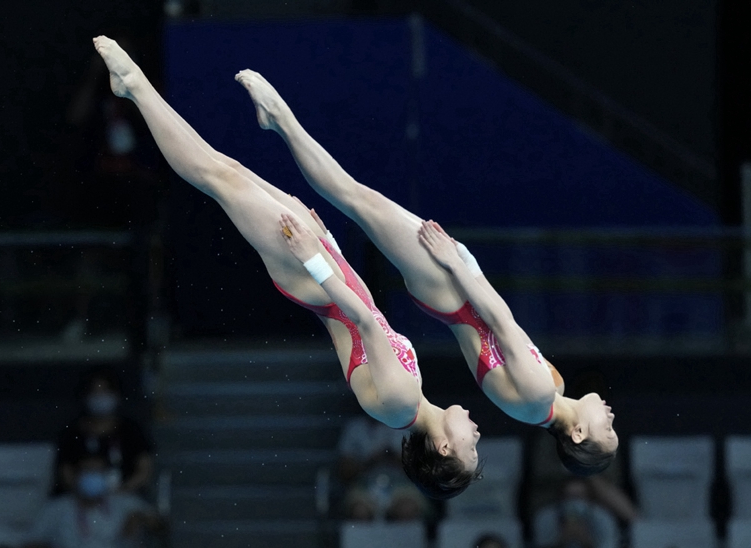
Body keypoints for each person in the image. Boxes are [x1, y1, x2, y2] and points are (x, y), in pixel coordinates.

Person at [91, 36, 482, 500]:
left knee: (219, 180)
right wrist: (330, 246)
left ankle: (134, 86)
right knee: (230, 171)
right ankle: (153, 91)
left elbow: (361, 320)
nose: (477, 434)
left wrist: (313, 257)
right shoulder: (411, 397)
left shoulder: (400, 405)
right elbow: (370, 314)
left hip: (314, 281)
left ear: (442, 448)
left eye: (471, 448)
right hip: (326, 275)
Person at [233, 70, 618, 477]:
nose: (611, 416)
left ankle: (279, 119)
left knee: (355, 197)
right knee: (357, 199)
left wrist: (456, 265)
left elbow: (501, 321)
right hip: (460, 289)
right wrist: (466, 268)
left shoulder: (539, 396)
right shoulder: (549, 393)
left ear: (578, 433)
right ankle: (279, 122)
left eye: (607, 429)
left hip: (452, 290)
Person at [20, 452, 162, 548]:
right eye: (88, 471)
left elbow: (162, 526)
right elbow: (31, 542)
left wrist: (140, 518)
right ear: (75, 475)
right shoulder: (57, 507)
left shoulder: (125, 502)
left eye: (97, 472)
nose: (93, 476)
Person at [54, 368, 153, 496]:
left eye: (105, 391)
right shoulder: (72, 433)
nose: (100, 397)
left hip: (123, 497)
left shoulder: (131, 430)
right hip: (78, 499)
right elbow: (65, 470)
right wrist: (83, 494)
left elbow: (144, 469)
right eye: (95, 392)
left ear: (116, 395)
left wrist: (122, 491)